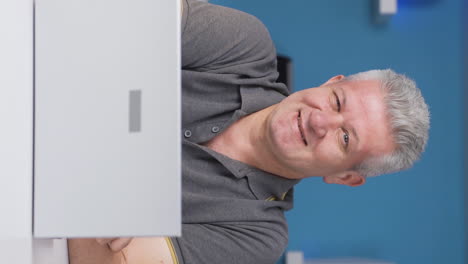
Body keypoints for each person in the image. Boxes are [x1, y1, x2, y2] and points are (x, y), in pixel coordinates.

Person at [68, 0, 430, 263]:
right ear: (330, 82)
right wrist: (107, 199)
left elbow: (99, 260)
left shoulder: (258, 236)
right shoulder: (245, 45)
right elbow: (110, 15)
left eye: (345, 138)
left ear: (344, 176)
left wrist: (105, 97)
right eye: (336, 101)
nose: (320, 122)